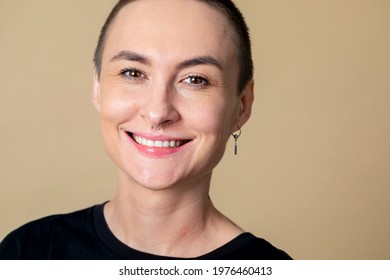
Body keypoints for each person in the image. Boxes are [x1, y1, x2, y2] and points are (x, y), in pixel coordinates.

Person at [0, 0, 291, 260]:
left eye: (195, 80)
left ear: (242, 105)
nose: (158, 111)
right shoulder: (28, 253)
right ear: (98, 88)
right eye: (133, 73)